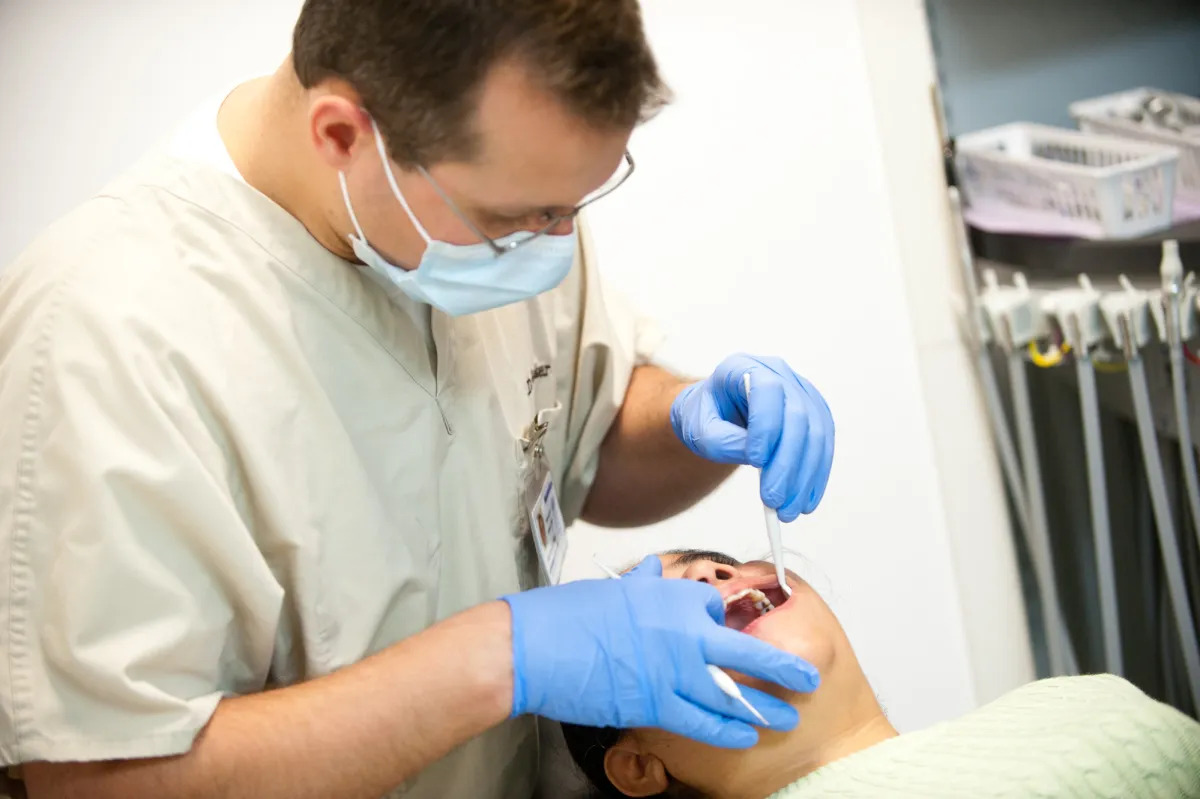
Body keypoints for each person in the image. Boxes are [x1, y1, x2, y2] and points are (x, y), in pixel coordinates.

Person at [0, 2, 836, 798]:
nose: (553, 243)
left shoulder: (493, 204)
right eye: (523, 215)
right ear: (342, 135)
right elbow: (107, 779)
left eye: (574, 206)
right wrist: (501, 659)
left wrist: (694, 421)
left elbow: (586, 439)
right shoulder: (106, 332)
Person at [561, 550, 1200, 799]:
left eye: (719, 564)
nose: (708, 579)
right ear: (637, 765)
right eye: (657, 618)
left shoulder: (1076, 702)